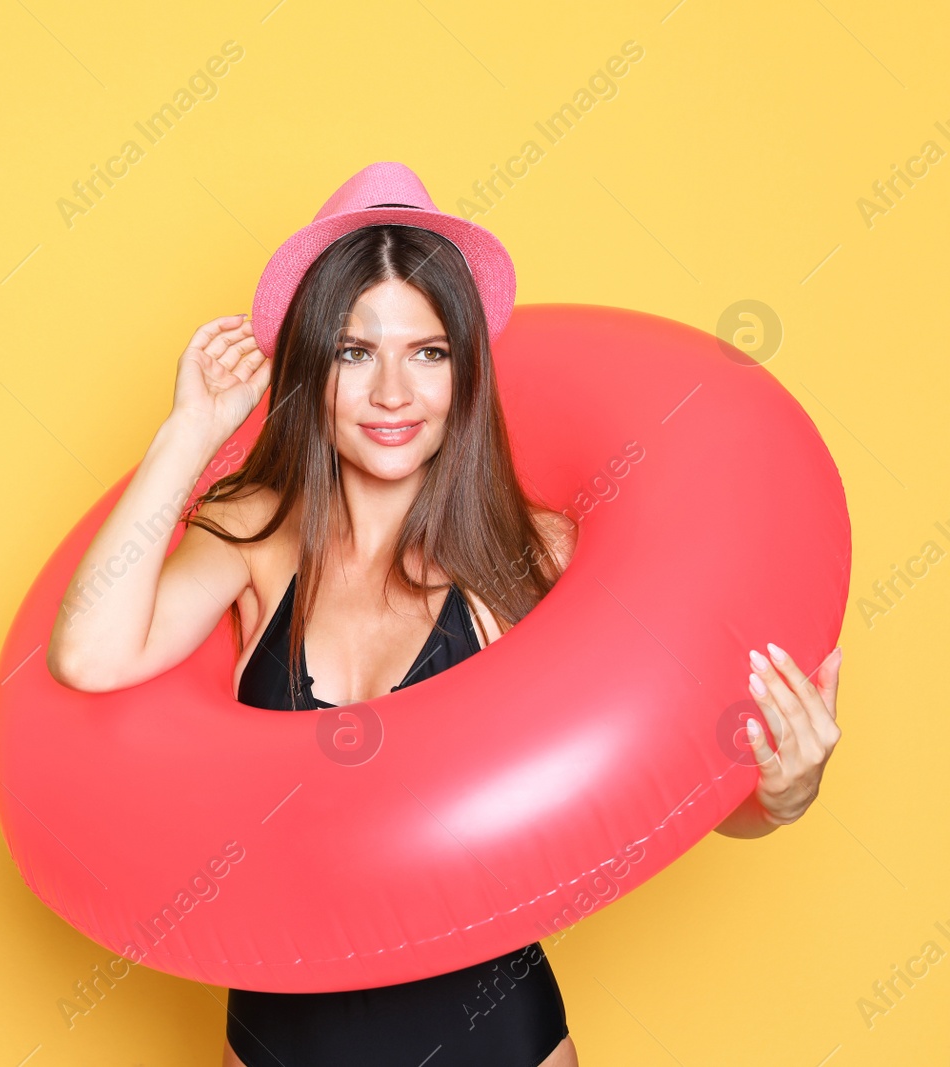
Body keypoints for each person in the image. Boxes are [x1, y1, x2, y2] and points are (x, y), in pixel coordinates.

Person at [46, 163, 844, 1067]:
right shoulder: (254, 537)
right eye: (355, 352)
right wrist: (190, 430)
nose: (394, 393)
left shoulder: (528, 556)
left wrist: (782, 795)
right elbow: (87, 654)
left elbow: (656, 785)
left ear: (465, 368)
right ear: (312, 365)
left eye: (428, 352)